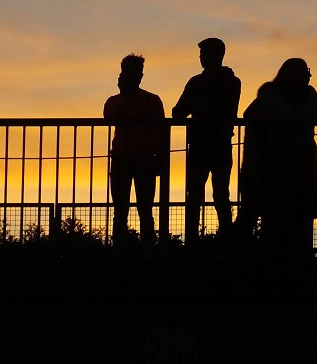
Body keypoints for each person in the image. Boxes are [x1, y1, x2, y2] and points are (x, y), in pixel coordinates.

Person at [237, 59, 317, 259]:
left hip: (299, 159)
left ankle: (294, 252)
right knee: (281, 206)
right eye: (306, 72)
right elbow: (251, 113)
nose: (309, 76)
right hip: (280, 159)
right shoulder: (274, 94)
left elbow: (315, 113)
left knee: (297, 206)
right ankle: (281, 252)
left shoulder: (305, 94)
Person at [172, 38, 241, 246]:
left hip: (208, 144)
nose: (201, 57)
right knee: (217, 195)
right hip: (214, 144)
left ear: (215, 55)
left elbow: (179, 113)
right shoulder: (229, 81)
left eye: (204, 53)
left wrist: (199, 106)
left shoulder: (203, 82)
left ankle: (197, 245)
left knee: (202, 195)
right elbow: (178, 113)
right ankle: (222, 244)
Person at [103, 55, 165, 248]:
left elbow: (160, 131)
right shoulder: (117, 100)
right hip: (123, 158)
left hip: (144, 158)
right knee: (122, 208)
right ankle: (123, 247)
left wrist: (159, 158)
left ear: (140, 76)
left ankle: (145, 246)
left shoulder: (152, 100)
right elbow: (109, 117)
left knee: (144, 208)